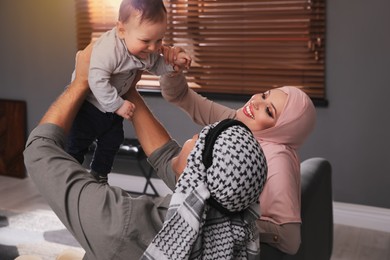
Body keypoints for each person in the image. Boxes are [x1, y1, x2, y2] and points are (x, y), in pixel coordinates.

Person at [23, 46, 267, 259]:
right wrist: (128, 90)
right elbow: (166, 157)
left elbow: (39, 151)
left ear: (194, 173)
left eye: (200, 138)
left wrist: (81, 82)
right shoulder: (227, 211)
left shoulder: (123, 224)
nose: (194, 136)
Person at [156, 51, 317, 255]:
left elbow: (290, 240)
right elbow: (180, 96)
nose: (257, 102)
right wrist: (173, 72)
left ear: (283, 129)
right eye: (265, 94)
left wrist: (224, 222)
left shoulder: (277, 161)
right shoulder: (239, 123)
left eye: (269, 111)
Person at [66, 0, 191, 183]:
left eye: (159, 40)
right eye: (146, 41)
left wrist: (173, 65)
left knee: (113, 140)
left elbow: (156, 65)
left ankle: (99, 174)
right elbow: (96, 80)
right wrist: (118, 105)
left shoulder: (145, 49)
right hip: (90, 105)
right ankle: (68, 173)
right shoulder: (109, 50)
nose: (153, 48)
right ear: (122, 30)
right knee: (77, 141)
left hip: (113, 105)